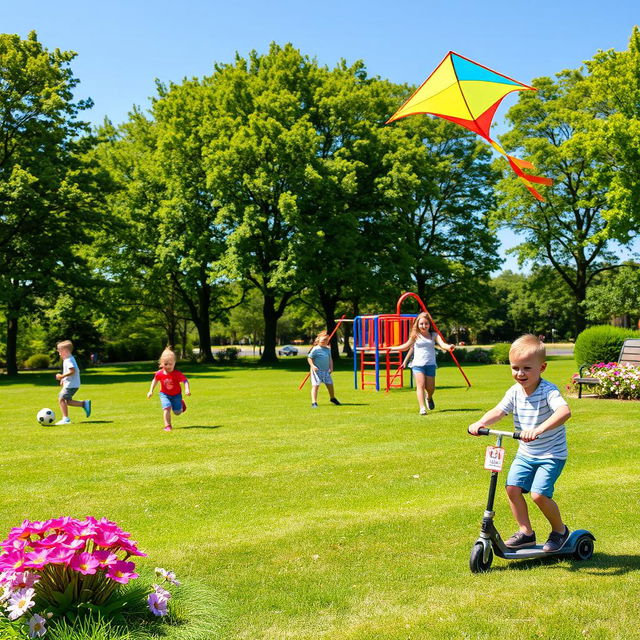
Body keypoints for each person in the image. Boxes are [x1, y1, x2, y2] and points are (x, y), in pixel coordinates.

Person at [468, 334, 572, 552]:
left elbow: (564, 411)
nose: (520, 373)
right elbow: (499, 411)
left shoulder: (548, 391)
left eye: (527, 368)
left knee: (539, 494)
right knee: (512, 488)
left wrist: (539, 429)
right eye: (515, 368)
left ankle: (560, 531)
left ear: (542, 368)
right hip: (526, 452)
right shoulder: (514, 391)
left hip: (551, 454)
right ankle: (526, 533)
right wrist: (480, 423)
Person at [393, 312, 455, 415]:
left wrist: (449, 347)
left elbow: (443, 345)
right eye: (421, 324)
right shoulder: (415, 336)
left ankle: (429, 397)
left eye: (426, 323)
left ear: (429, 324)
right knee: (420, 385)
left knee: (431, 388)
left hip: (430, 364)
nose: (424, 326)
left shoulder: (434, 335)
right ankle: (422, 408)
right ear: (417, 324)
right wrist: (392, 348)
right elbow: (406, 346)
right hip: (417, 365)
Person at [147, 348, 191, 431]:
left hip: (176, 395)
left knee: (177, 412)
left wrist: (187, 389)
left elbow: (185, 381)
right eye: (166, 364)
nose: (168, 366)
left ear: (174, 363)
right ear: (161, 363)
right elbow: (155, 380)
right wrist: (150, 391)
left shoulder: (177, 374)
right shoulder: (159, 373)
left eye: (170, 364)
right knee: (166, 407)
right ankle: (168, 426)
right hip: (164, 394)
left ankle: (181, 403)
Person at [55, 340, 91, 425]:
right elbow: (71, 371)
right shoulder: (68, 359)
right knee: (67, 401)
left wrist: (61, 376)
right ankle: (84, 404)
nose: (58, 353)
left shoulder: (68, 360)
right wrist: (63, 380)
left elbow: (73, 371)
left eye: (59, 351)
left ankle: (65, 419)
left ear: (65, 351)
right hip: (72, 384)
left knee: (61, 398)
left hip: (71, 385)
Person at [307, 331, 341, 408]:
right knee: (315, 386)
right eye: (323, 340)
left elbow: (330, 359)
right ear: (318, 340)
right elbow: (309, 358)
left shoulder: (327, 349)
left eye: (326, 340)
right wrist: (312, 366)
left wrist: (331, 367)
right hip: (317, 371)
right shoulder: (315, 349)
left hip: (326, 371)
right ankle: (314, 402)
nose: (324, 341)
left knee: (330, 385)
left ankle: (332, 398)